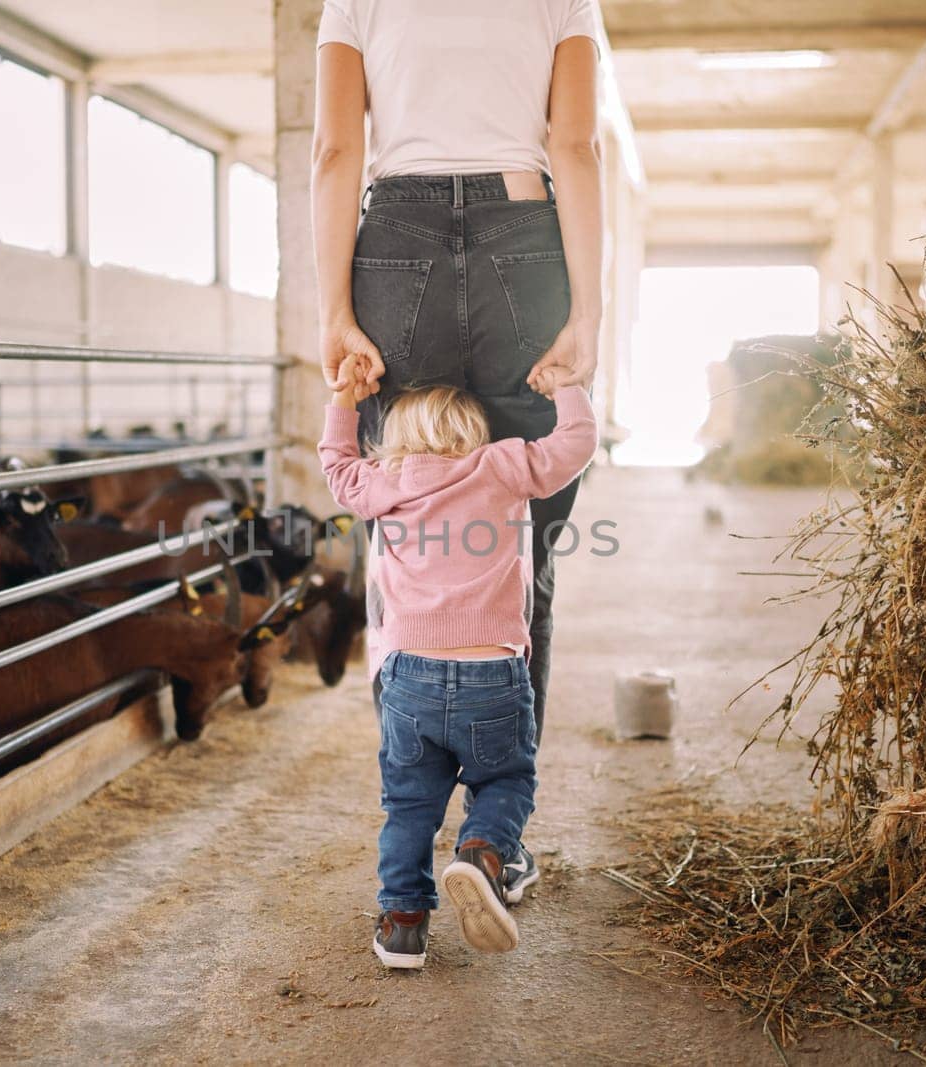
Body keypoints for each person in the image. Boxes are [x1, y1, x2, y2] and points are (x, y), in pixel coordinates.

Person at [311, 0, 605, 904]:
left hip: (394, 246)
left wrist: (334, 313)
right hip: (527, 241)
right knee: (526, 561)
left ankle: (409, 824)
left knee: (399, 533)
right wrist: (587, 314)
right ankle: (494, 838)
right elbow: (577, 148)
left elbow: (334, 152)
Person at [319, 353, 597, 967]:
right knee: (505, 781)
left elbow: (337, 467)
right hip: (493, 670)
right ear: (475, 432)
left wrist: (344, 398)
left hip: (408, 674)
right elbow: (576, 443)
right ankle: (483, 853)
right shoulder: (501, 466)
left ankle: (403, 925)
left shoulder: (384, 480)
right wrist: (569, 387)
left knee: (409, 805)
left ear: (395, 439)